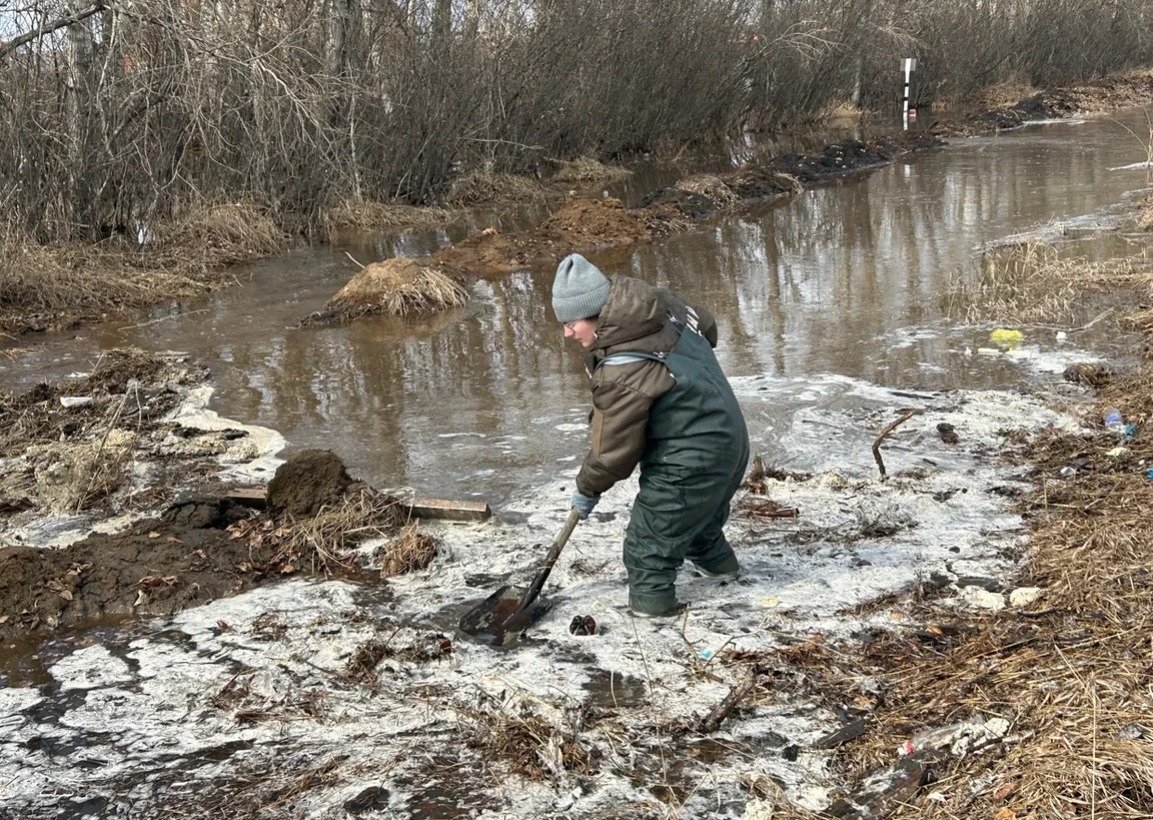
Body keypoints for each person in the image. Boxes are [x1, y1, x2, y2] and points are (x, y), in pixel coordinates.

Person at [551, 252, 750, 617]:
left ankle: (652, 622)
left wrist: (586, 489)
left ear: (597, 314)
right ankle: (734, 581)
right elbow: (707, 325)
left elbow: (612, 455)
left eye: (571, 323)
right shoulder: (661, 305)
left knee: (648, 551)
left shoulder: (622, 369)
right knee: (699, 529)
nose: (567, 333)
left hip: (691, 461)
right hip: (730, 435)